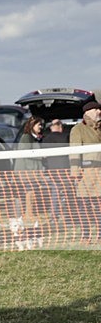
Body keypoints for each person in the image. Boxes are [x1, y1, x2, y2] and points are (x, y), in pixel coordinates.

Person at [69, 101, 101, 242]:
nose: (99, 112)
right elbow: (74, 153)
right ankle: (86, 234)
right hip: (86, 174)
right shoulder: (78, 129)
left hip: (100, 174)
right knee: (85, 207)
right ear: (87, 112)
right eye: (96, 110)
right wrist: (75, 173)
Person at [41, 119, 72, 229]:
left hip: (53, 171)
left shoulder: (45, 140)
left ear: (50, 127)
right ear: (60, 126)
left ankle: (54, 217)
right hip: (66, 170)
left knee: (55, 194)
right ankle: (67, 217)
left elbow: (43, 158)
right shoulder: (66, 137)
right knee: (68, 194)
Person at [13, 117, 45, 222]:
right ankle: (27, 214)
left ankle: (28, 213)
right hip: (27, 171)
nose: (40, 127)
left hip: (32, 171)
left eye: (41, 125)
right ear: (32, 125)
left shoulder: (35, 138)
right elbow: (25, 154)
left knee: (31, 193)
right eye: (38, 125)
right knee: (28, 193)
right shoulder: (26, 137)